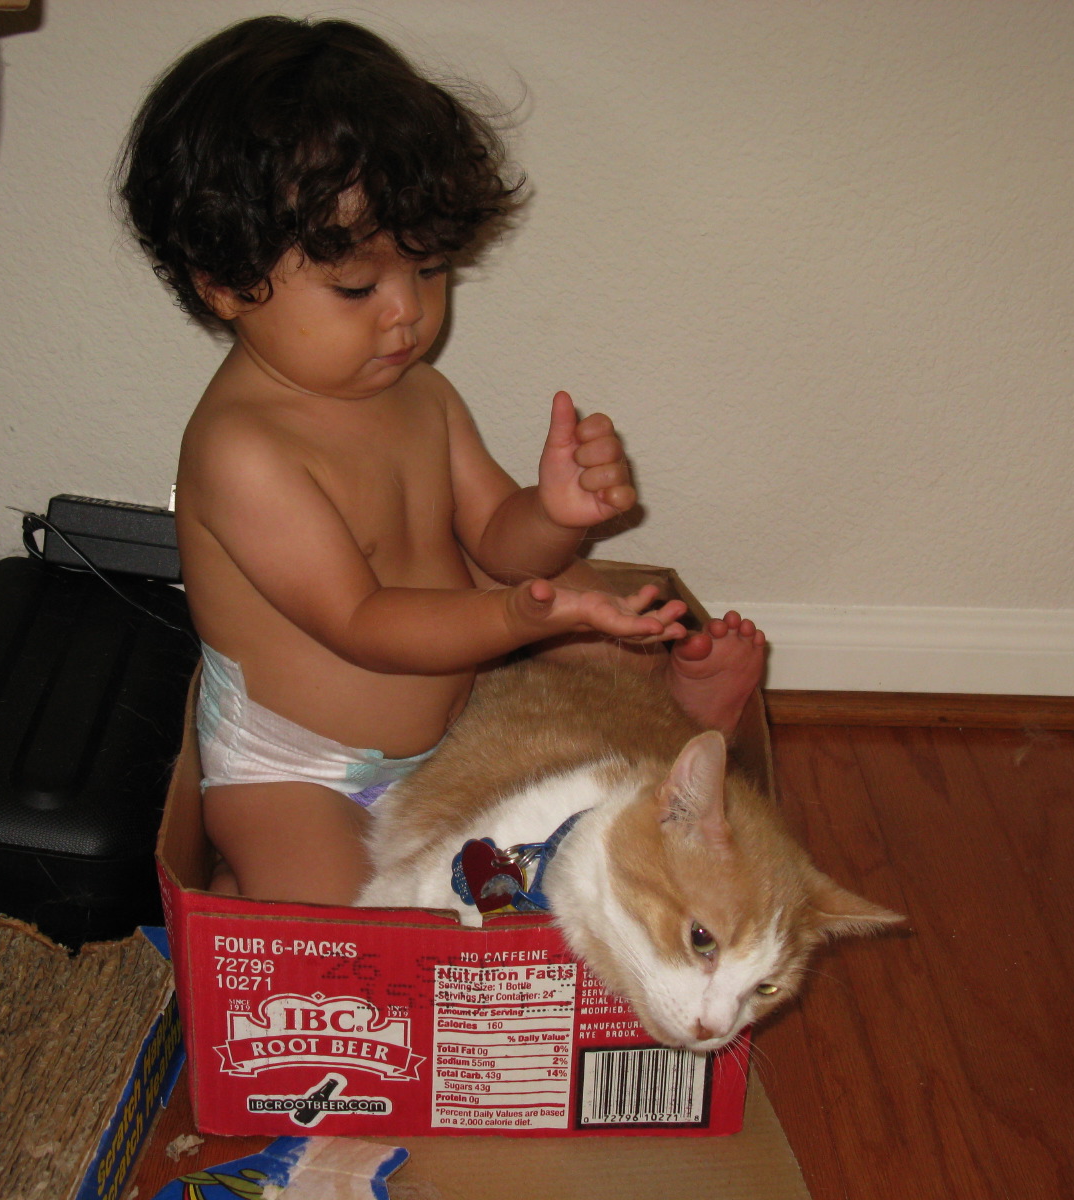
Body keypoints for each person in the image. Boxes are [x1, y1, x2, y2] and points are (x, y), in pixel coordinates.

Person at [120, 15, 764, 904]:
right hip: (303, 774)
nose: (407, 314)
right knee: (356, 932)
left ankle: (670, 714)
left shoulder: (422, 393)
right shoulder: (245, 452)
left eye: (428, 272)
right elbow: (364, 623)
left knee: (588, 630)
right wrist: (515, 617)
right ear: (225, 283)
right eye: (358, 287)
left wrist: (553, 513)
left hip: (456, 728)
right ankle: (241, 893)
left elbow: (499, 539)